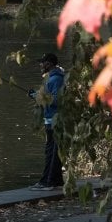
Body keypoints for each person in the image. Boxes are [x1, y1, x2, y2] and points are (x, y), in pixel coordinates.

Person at [28, 53, 66, 191]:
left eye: (42, 62)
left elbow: (56, 100)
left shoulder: (55, 79)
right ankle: (55, 181)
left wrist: (40, 97)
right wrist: (35, 96)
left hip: (56, 121)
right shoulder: (51, 78)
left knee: (52, 152)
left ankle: (48, 182)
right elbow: (47, 98)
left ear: (49, 64)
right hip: (50, 120)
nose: (40, 65)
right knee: (52, 151)